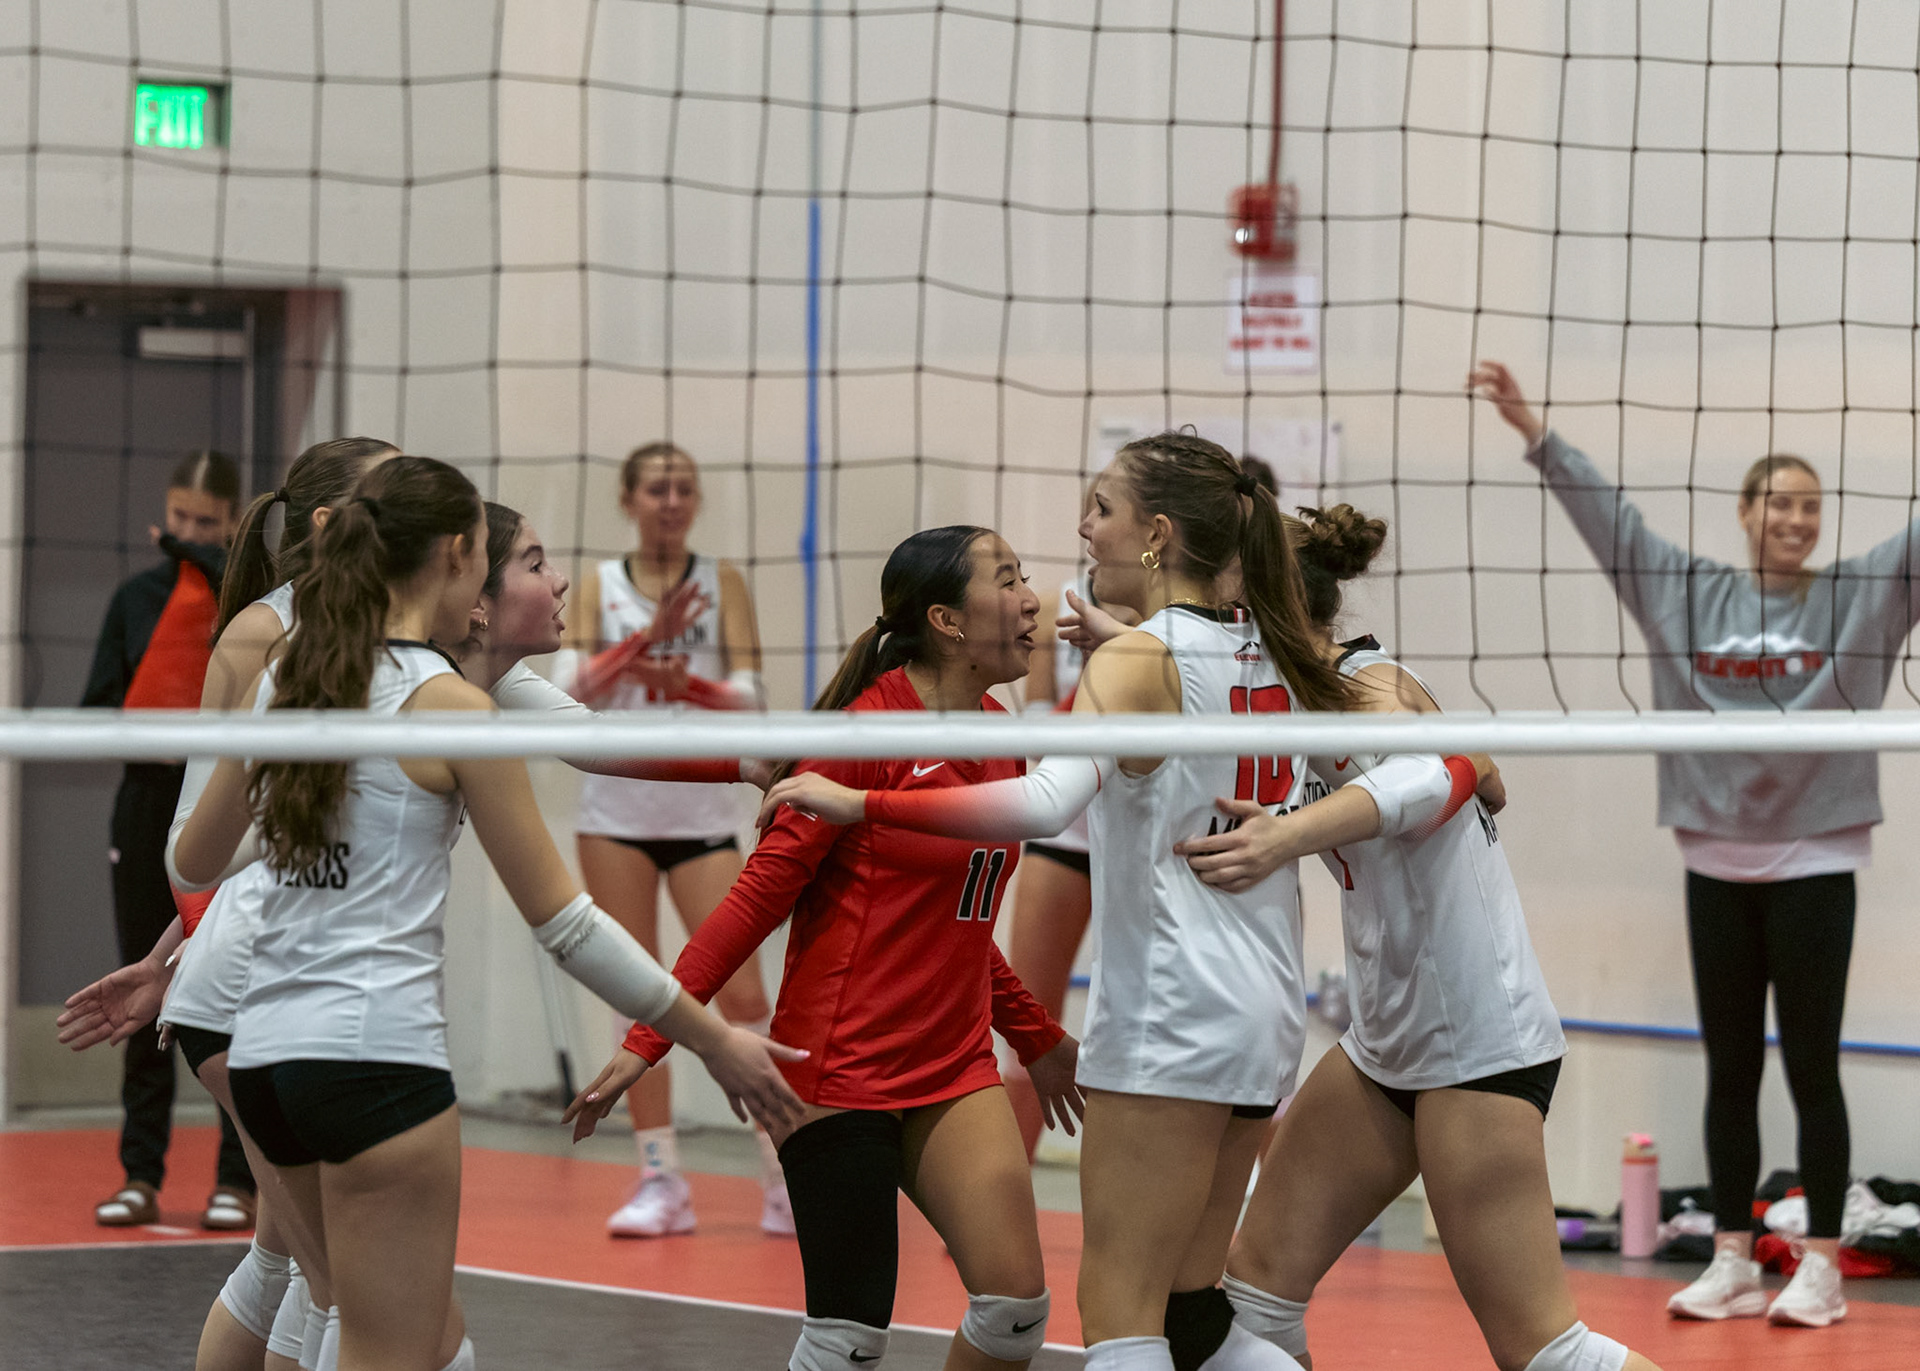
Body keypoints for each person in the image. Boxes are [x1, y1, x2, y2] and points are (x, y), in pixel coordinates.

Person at [762, 434, 1486, 1371]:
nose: (1083, 526)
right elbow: (1208, 690)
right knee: (1192, 1311)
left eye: (1101, 506)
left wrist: (862, 803)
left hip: (1168, 1020)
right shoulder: (1273, 648)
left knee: (1121, 1312)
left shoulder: (1138, 660)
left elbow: (1043, 802)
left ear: (1157, 533)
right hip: (1262, 1020)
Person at [58, 481, 739, 1371]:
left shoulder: (300, 677)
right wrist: (716, 1040)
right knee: (378, 1327)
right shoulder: (441, 705)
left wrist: (186, 937)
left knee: (323, 1291)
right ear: (460, 568)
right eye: (525, 560)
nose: (557, 579)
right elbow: (566, 925)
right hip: (367, 1050)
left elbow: (197, 859)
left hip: (258, 1045)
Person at [567, 525, 1087, 1371]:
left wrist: (1038, 1037)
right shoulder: (858, 739)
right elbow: (751, 905)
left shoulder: (1002, 736)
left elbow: (959, 926)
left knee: (1015, 1311)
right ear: (947, 620)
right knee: (849, 1340)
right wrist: (646, 1039)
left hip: (952, 1063)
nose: (1032, 599)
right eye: (1008, 580)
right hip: (840, 1070)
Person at [1470, 360, 1912, 1329]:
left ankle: (1822, 1267)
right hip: (1714, 858)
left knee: (1812, 1067)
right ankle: (1731, 1257)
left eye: (1812, 507)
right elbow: (1610, 521)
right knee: (1729, 1068)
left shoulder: (1861, 594)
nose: (1798, 520)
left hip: (1816, 856)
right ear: (1746, 513)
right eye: (1781, 503)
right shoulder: (1687, 593)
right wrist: (1534, 431)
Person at [1171, 503, 1660, 1371]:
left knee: (1544, 1351)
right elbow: (1475, 771)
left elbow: (1442, 775)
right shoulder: (1306, 704)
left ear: (1261, 610)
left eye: (1222, 606)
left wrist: (1288, 834)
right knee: (1253, 1296)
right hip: (1388, 1044)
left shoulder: (1369, 690)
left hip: (1475, 1045)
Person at [562, 439, 785, 1236]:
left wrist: (683, 681)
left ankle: (780, 1174)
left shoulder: (722, 580)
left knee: (747, 999)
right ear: (629, 499)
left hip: (704, 819)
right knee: (638, 994)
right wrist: (641, 644)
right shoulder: (599, 584)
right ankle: (660, 1178)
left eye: (684, 488)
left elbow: (753, 696)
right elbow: (569, 687)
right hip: (617, 816)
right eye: (657, 489)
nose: (672, 501)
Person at [82, 447, 251, 1232]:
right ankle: (140, 1172)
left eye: (207, 523)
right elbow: (95, 708)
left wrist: (212, 564)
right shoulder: (136, 599)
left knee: (228, 984)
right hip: (148, 803)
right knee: (142, 982)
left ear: (234, 522)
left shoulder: (249, 607)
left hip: (227, 805)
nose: (190, 531)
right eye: (180, 517)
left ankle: (238, 1177)